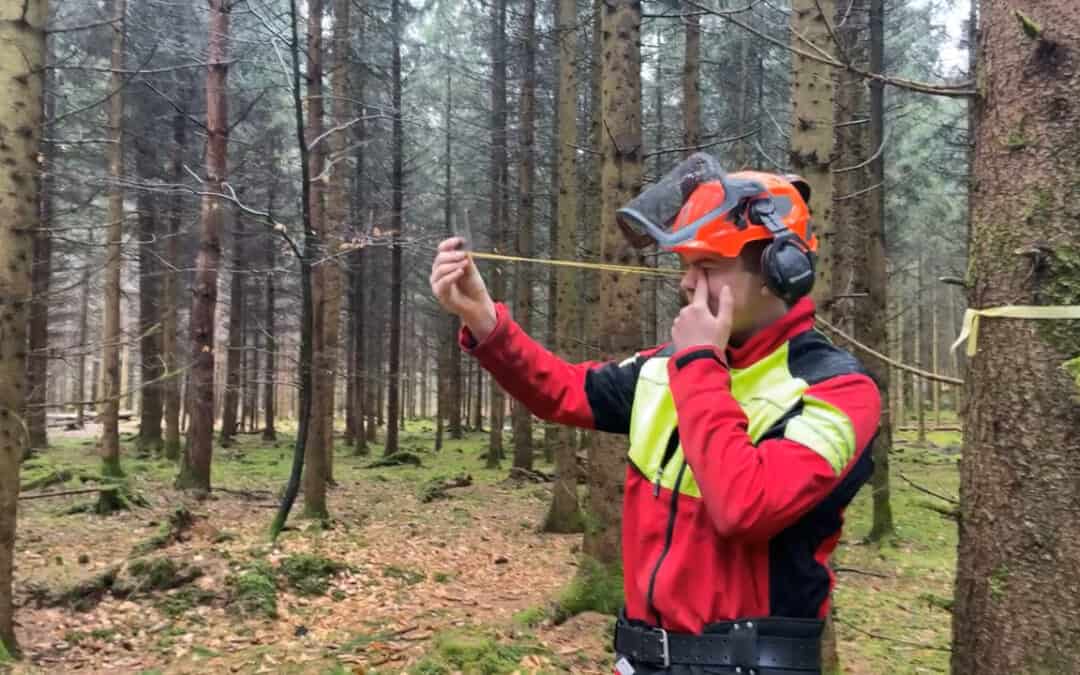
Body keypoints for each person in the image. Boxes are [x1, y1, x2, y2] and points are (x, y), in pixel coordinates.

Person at [429, 159, 881, 675]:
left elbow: (745, 508)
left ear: (781, 269)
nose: (688, 283)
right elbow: (567, 391)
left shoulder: (837, 389)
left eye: (707, 265)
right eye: (685, 264)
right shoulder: (669, 368)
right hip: (642, 658)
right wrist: (484, 320)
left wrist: (699, 362)